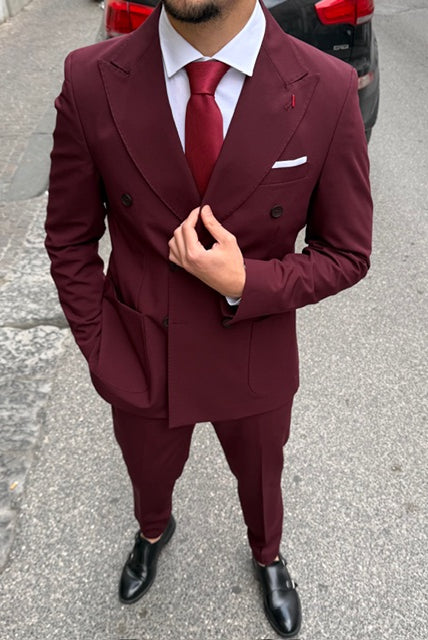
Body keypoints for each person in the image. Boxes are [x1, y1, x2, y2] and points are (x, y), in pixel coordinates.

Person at [45, 0, 372, 636]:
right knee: (148, 470)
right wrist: (99, 344)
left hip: (254, 349)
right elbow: (68, 238)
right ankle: (151, 531)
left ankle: (268, 554)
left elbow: (347, 252)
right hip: (139, 349)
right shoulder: (89, 78)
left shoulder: (327, 87)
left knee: (262, 475)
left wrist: (249, 282)